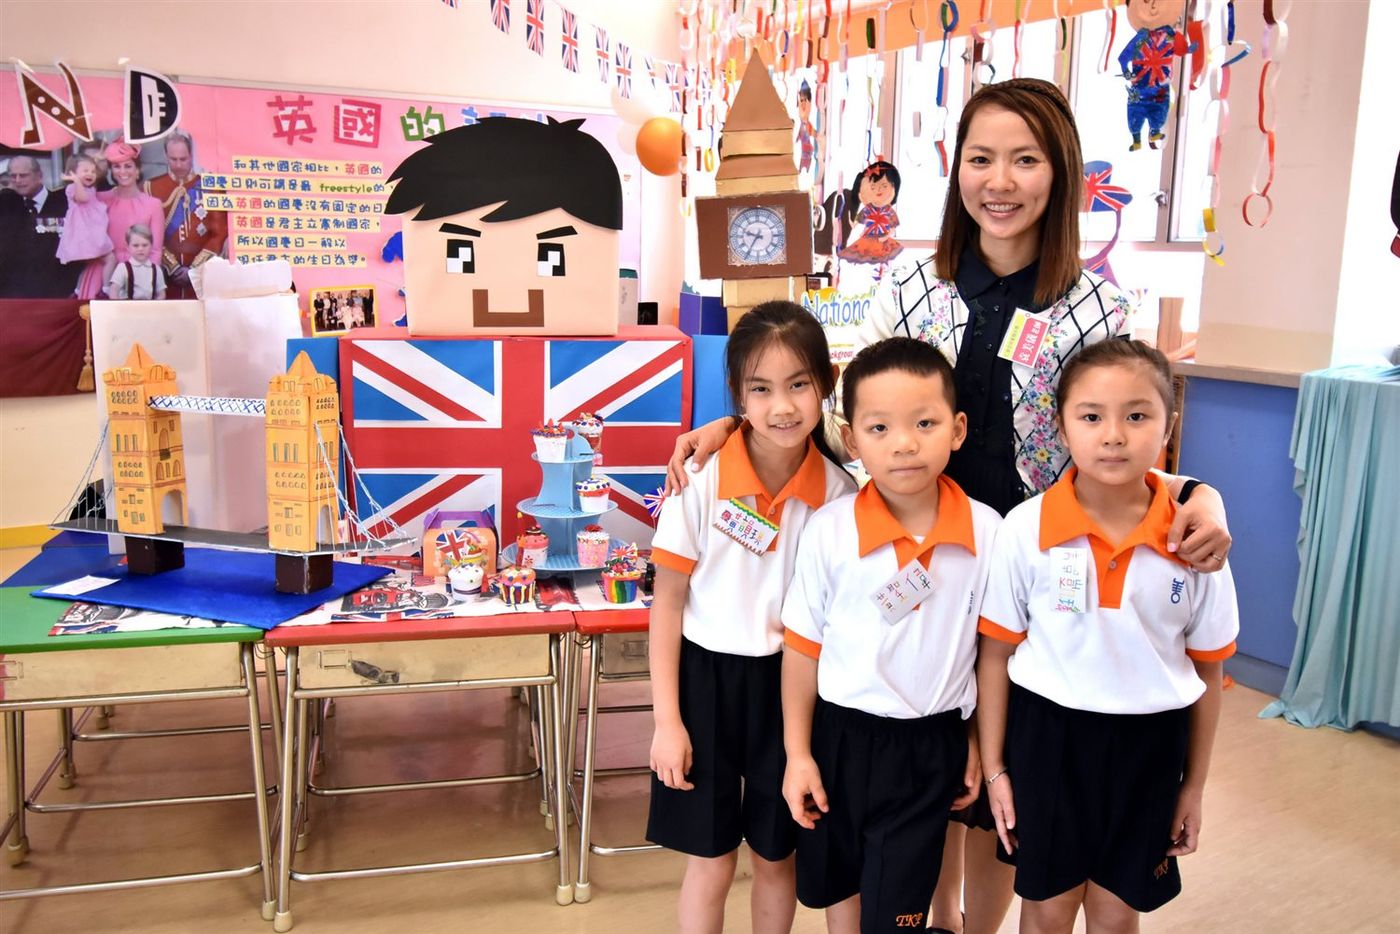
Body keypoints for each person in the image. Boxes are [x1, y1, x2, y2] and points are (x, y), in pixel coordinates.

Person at [667, 77, 1233, 934]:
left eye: (1025, 160)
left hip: (1029, 568)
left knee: (992, 791)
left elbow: (1123, 433)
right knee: (918, 780)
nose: (999, 181)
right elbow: (848, 409)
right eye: (980, 159)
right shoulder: (910, 282)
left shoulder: (1098, 305)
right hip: (913, 558)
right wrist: (737, 427)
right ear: (956, 168)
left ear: (1060, 173)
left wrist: (1201, 491)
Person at [976, 339, 1236, 933]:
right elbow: (995, 656)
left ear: (1169, 424)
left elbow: (1208, 671)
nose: (1114, 435)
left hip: (1151, 749)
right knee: (1046, 910)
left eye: (1137, 415)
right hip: (1048, 742)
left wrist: (1193, 787)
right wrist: (995, 768)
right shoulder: (1025, 528)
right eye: (1091, 416)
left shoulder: (1196, 543)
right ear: (1062, 427)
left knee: (1117, 913)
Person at [647, 301, 856, 934]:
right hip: (703, 685)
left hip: (790, 689)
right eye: (760, 389)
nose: (782, 406)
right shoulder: (700, 477)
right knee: (710, 861)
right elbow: (667, 604)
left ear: (826, 383)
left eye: (799, 384)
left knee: (776, 855)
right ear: (738, 394)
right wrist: (667, 722)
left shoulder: (840, 495)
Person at [782, 337, 999, 934]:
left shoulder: (989, 533)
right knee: (842, 890)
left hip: (932, 746)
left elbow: (989, 656)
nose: (904, 443)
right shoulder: (830, 531)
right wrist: (798, 755)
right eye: (879, 428)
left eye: (924, 423)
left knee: (900, 908)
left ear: (957, 429)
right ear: (851, 440)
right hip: (839, 740)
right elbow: (801, 650)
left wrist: (974, 741)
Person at [143, 131, 226, 299]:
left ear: (191, 156)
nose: (178, 165)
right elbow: (148, 234)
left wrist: (194, 269)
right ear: (166, 156)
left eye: (183, 159)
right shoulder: (151, 188)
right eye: (173, 159)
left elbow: (219, 234)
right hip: (166, 277)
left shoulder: (210, 187)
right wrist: (173, 267)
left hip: (203, 275)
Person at [77, 141, 164, 300]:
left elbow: (156, 250)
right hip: (101, 273)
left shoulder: (153, 205)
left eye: (128, 166)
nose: (122, 171)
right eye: (117, 166)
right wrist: (95, 163)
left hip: (138, 274)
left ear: (137, 170)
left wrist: (147, 281)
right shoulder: (99, 199)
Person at [0, 154, 78, 297]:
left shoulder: (64, 203)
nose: (18, 180)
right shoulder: (6, 206)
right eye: (13, 176)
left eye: (23, 175)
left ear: (39, 175)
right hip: (13, 295)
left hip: (58, 292)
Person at [56, 153, 115, 299]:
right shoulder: (72, 188)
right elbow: (82, 198)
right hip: (85, 234)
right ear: (73, 173)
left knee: (91, 264)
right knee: (110, 258)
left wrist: (98, 161)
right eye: (85, 171)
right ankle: (106, 288)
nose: (90, 174)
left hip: (92, 231)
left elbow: (99, 174)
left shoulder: (90, 188)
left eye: (92, 171)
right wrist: (76, 181)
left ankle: (77, 290)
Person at [837, 161, 904, 266]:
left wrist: (886, 236)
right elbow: (858, 220)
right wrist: (852, 224)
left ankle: (880, 270)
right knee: (865, 259)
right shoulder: (868, 209)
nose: (878, 190)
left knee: (883, 260)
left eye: (884, 186)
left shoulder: (889, 211)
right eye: (873, 187)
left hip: (883, 240)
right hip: (867, 239)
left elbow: (893, 228)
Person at [107, 224, 166, 300]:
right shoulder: (123, 268)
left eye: (144, 245)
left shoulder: (156, 269)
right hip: (127, 306)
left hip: (149, 306)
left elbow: (161, 293)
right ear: (127, 247)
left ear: (151, 246)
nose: (140, 249)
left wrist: (155, 305)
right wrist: (117, 305)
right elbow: (114, 289)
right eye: (135, 245)